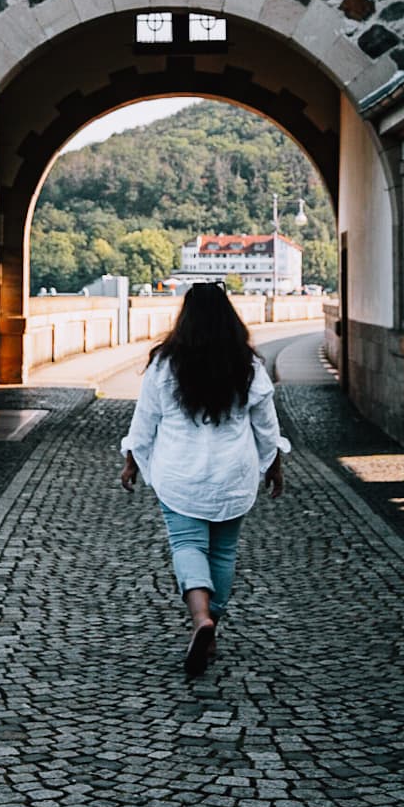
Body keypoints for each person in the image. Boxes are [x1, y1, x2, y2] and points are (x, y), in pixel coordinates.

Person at [119, 281, 289, 680]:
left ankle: (200, 619)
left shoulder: (165, 364)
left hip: (180, 472)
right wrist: (274, 464)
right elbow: (266, 425)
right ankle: (211, 628)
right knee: (224, 552)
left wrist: (132, 460)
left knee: (187, 544)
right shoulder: (247, 366)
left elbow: (145, 420)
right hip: (233, 473)